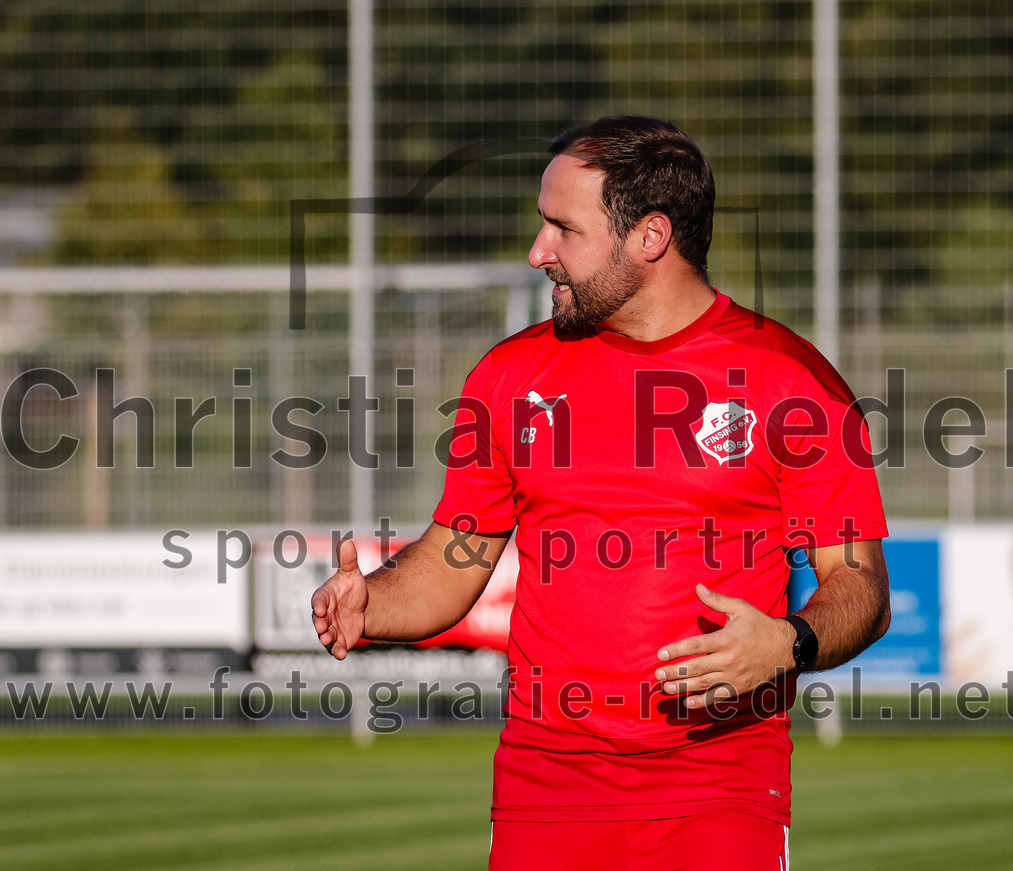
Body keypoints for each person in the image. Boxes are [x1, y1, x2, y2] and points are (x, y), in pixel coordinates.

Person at [312, 115, 891, 870]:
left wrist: (789, 643)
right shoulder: (508, 377)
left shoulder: (792, 382)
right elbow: (452, 565)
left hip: (719, 785)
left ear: (650, 236)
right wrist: (374, 603)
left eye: (564, 229)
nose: (537, 252)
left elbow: (861, 587)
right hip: (545, 784)